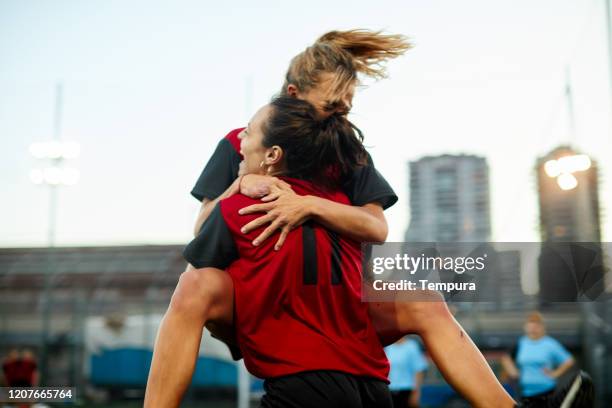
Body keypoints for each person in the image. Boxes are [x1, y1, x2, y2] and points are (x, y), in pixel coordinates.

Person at [145, 29, 516, 408]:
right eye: (332, 106)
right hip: (265, 295)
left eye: (347, 107)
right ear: (295, 96)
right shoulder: (244, 142)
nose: (342, 115)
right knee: (195, 284)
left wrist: (309, 205)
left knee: (424, 301)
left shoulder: (346, 148)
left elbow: (376, 226)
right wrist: (242, 182)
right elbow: (203, 227)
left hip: (340, 300)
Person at [185, 96, 392, 407]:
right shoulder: (345, 211)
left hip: (305, 385)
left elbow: (196, 283)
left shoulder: (239, 210)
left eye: (249, 131)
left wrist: (236, 340)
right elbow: (376, 231)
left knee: (190, 290)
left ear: (272, 155)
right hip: (374, 387)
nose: (240, 137)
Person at [502, 312, 594, 407]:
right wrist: (514, 372)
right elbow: (506, 358)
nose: (533, 329)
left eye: (536, 326)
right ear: (526, 327)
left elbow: (569, 360)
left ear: (542, 327)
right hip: (525, 393)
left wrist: (555, 373)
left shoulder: (550, 344)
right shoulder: (521, 343)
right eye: (530, 326)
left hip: (546, 393)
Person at [385, 336, 428, 408]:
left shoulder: (412, 346)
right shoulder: (387, 347)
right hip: (389, 391)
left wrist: (416, 392)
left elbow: (418, 370)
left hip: (407, 391)